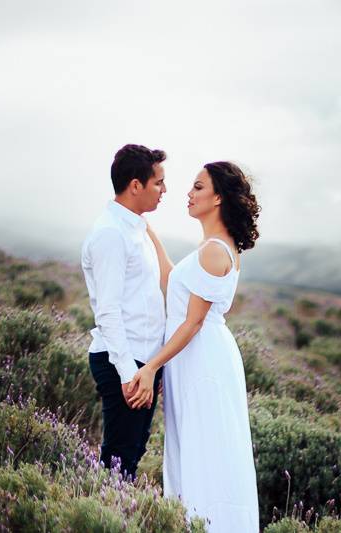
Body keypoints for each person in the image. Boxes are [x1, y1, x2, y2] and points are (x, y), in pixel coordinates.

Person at [129, 161, 261, 532]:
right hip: (194, 358)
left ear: (218, 197)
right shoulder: (210, 248)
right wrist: (148, 230)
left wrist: (152, 365)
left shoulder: (215, 251)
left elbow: (193, 322)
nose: (189, 193)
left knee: (208, 449)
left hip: (203, 360)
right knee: (195, 446)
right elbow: (173, 280)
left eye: (198, 187)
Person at [81, 143, 167, 480]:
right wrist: (129, 374)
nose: (164, 191)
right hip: (123, 361)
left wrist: (152, 367)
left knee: (129, 457)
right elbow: (108, 311)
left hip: (142, 361)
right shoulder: (110, 234)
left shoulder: (136, 228)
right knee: (118, 463)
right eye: (158, 182)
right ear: (136, 185)